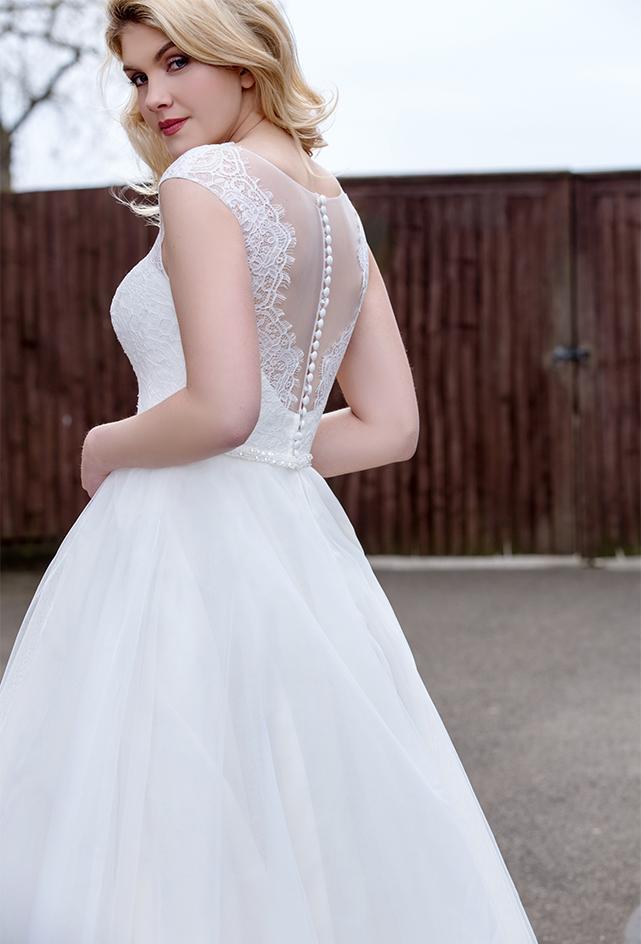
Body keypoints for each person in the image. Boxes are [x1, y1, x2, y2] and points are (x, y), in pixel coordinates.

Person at [0, 1, 540, 940]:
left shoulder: (204, 180)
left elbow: (220, 408)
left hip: (174, 541)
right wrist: (272, 459)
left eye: (175, 62)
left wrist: (106, 445)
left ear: (241, 61)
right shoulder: (333, 204)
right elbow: (389, 426)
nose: (155, 97)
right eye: (136, 75)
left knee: (157, 804)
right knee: (282, 804)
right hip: (291, 543)